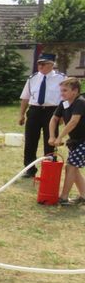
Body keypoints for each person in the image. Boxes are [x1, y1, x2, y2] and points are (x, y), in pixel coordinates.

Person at [19, 52, 66, 178]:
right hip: (34, 111)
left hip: (52, 112)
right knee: (30, 141)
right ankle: (29, 169)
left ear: (51, 65)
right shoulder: (32, 78)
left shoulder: (61, 78)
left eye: (43, 64)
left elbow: (65, 99)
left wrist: (62, 115)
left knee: (50, 141)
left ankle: (49, 168)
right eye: (39, 63)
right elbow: (25, 97)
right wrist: (21, 114)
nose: (40, 66)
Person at [49, 77, 85, 205]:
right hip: (76, 141)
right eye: (61, 90)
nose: (61, 93)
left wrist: (60, 137)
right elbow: (54, 119)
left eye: (65, 90)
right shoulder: (64, 103)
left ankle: (64, 198)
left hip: (83, 141)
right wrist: (52, 136)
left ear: (74, 91)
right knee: (73, 168)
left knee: (70, 167)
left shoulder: (80, 102)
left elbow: (73, 122)